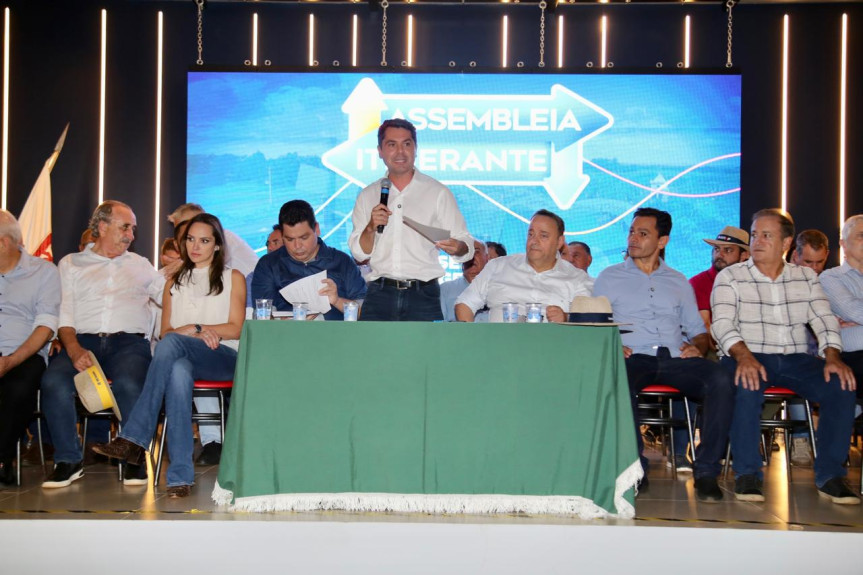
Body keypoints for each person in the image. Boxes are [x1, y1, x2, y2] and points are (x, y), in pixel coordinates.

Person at [712, 208, 859, 504]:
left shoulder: (805, 277)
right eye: (755, 235)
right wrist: (744, 356)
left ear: (786, 243)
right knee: (747, 383)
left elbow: (824, 319)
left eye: (767, 235)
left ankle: (830, 476)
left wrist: (832, 356)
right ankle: (747, 474)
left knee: (841, 385)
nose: (757, 241)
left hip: (795, 358)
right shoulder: (731, 276)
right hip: (748, 353)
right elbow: (722, 324)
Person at [93, 213, 245, 498]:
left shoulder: (232, 277)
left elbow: (236, 328)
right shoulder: (173, 282)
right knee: (177, 372)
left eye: (204, 241)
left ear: (217, 245)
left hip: (223, 356)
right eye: (190, 239)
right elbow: (165, 333)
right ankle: (179, 477)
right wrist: (189, 334)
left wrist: (199, 329)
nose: (195, 246)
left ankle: (135, 436)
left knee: (174, 344)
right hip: (185, 355)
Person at [593, 207, 734, 503]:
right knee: (617, 378)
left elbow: (698, 331)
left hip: (675, 358)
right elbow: (596, 325)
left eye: (643, 233)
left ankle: (707, 471)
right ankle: (635, 469)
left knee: (721, 378)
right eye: (632, 231)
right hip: (632, 356)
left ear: (662, 241)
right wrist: (611, 344)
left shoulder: (678, 281)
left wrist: (699, 347)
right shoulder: (609, 277)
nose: (633, 238)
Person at [41, 201, 160, 488]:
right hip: (82, 341)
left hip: (129, 344)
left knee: (129, 384)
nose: (131, 235)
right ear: (103, 227)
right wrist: (74, 350)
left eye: (133, 229)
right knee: (53, 382)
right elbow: (64, 314)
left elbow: (169, 294)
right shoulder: (71, 264)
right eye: (125, 227)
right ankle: (68, 460)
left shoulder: (141, 265)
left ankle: (133, 458)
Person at [349, 118, 474, 321]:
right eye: (392, 145)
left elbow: (466, 245)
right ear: (380, 151)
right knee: (372, 343)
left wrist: (458, 247)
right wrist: (370, 227)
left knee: (425, 344)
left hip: (423, 294)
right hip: (379, 293)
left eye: (407, 144)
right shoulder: (367, 195)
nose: (400, 152)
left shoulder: (437, 192)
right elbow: (358, 253)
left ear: (415, 149)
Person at [0, 211, 61, 487]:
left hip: (24, 353)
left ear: (4, 243)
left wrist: (11, 360)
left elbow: (45, 327)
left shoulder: (43, 272)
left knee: (19, 388)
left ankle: (2, 459)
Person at [455, 210, 592, 323]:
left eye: (543, 236)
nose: (534, 241)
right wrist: (472, 340)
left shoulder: (577, 278)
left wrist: (566, 318)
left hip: (553, 345)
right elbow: (464, 304)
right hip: (500, 345)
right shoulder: (498, 266)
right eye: (531, 234)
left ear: (559, 242)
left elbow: (591, 319)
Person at [253, 200, 366, 320]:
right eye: (290, 239)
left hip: (334, 330)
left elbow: (365, 313)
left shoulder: (342, 262)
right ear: (282, 235)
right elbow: (261, 315)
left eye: (304, 238)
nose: (297, 246)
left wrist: (337, 300)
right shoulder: (269, 265)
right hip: (285, 331)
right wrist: (282, 322)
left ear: (316, 229)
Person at [819, 214, 863, 431]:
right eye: (861, 236)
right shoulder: (831, 278)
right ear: (843, 244)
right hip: (849, 357)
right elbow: (853, 310)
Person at [168, 203, 258, 276]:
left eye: (182, 227)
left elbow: (211, 264)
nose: (179, 234)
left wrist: (181, 266)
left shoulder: (223, 237)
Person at [439, 240, 489, 322]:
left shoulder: (497, 287)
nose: (471, 256)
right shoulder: (445, 289)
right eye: (467, 253)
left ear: (486, 258)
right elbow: (439, 325)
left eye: (476, 252)